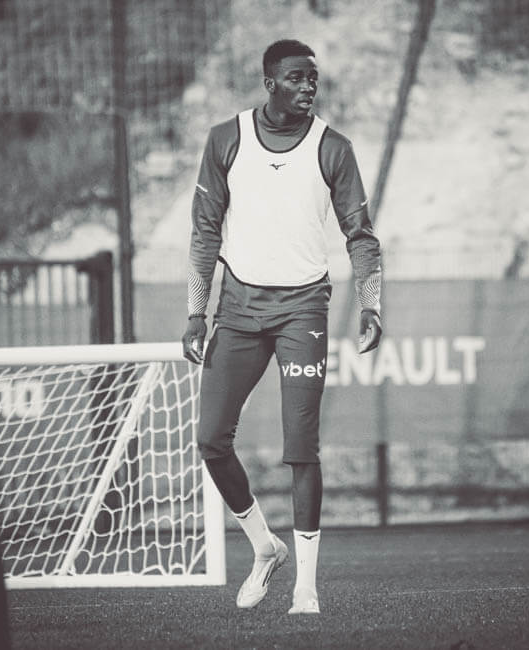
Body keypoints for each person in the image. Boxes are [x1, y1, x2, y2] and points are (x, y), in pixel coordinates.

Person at [181, 38, 383, 615]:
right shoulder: (226, 139)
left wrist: (371, 305)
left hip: (303, 309)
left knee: (301, 445)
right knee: (210, 439)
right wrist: (197, 312)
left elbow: (361, 236)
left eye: (312, 79)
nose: (307, 87)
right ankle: (265, 548)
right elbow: (204, 232)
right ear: (269, 83)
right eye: (295, 78)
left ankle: (306, 589)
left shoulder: (333, 147)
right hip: (238, 309)